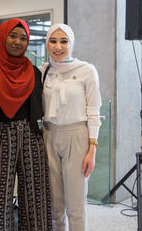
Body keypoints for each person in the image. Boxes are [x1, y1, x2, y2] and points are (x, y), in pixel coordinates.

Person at [0, 18, 53, 230]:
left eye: (24, 38)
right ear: (2, 37)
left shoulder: (34, 71)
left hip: (30, 137)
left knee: (36, 198)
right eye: (13, 36)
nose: (18, 42)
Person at [40, 23, 102, 231]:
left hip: (76, 136)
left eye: (63, 41)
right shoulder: (43, 71)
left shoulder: (87, 71)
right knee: (54, 204)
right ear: (47, 43)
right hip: (48, 135)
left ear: (71, 43)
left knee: (75, 205)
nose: (58, 46)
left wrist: (92, 148)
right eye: (53, 41)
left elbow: (94, 111)